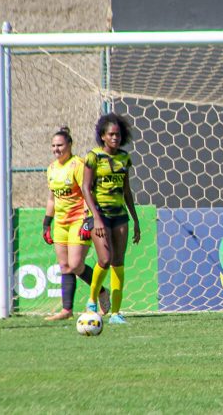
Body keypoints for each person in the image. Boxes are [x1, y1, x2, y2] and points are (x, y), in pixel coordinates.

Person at [43, 127, 110, 321]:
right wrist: (47, 224)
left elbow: (88, 192)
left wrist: (89, 220)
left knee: (74, 264)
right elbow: (51, 199)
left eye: (60, 145)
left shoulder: (77, 165)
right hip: (60, 223)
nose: (57, 149)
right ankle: (66, 310)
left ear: (69, 145)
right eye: (54, 146)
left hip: (78, 220)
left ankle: (101, 292)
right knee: (65, 265)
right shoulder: (52, 168)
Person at [81, 113, 140, 324]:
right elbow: (86, 188)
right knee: (104, 260)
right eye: (111, 134)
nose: (115, 138)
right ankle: (91, 300)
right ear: (103, 136)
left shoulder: (124, 158)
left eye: (118, 134)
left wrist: (136, 220)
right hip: (100, 215)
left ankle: (116, 312)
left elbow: (127, 191)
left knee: (118, 262)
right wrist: (95, 217)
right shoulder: (93, 157)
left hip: (120, 215)